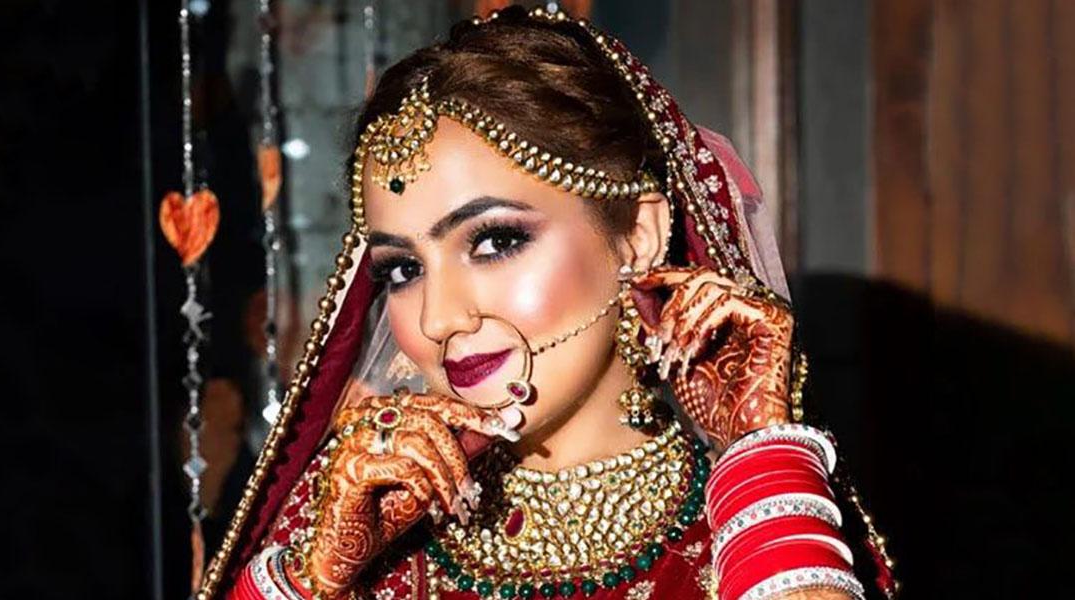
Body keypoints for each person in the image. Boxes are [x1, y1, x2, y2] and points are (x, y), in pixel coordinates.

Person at [199, 7, 895, 600]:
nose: (439, 319)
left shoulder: (760, 526)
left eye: (495, 240)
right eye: (403, 269)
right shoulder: (364, 535)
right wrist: (316, 576)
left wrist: (758, 453)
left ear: (638, 236)